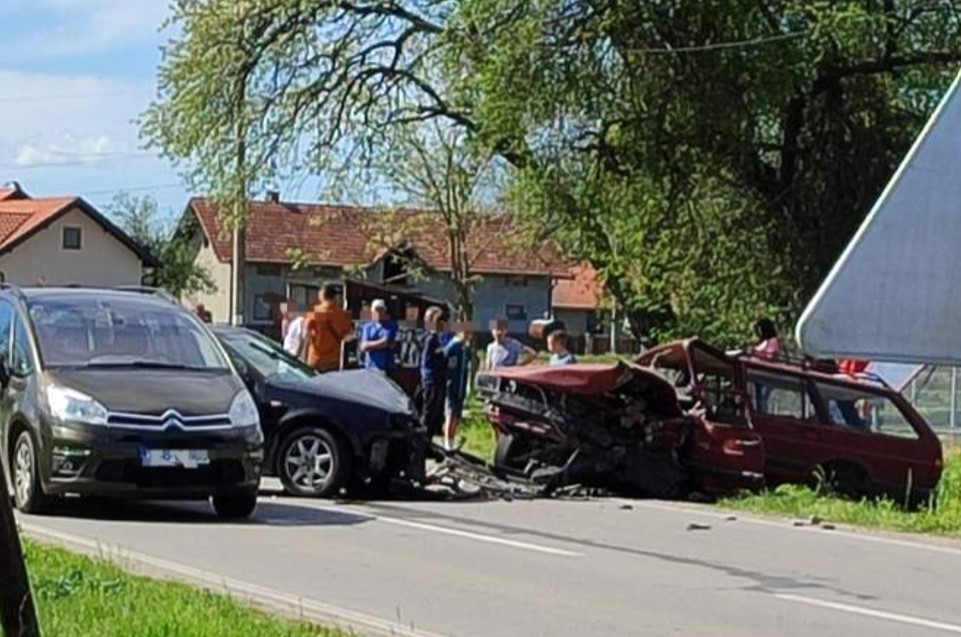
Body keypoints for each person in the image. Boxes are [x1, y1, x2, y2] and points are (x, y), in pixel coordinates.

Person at [306, 284, 353, 372]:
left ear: (322, 295)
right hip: (333, 359)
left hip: (316, 357)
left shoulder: (314, 312)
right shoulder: (341, 314)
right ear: (334, 297)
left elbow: (306, 333)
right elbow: (349, 336)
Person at [417, 306, 449, 440]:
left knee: (436, 413)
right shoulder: (430, 339)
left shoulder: (438, 338)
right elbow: (426, 362)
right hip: (431, 380)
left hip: (439, 379)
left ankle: (429, 441)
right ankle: (422, 443)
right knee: (428, 412)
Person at [443, 327, 472, 451]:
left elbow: (468, 367)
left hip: (462, 385)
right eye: (465, 333)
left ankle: (452, 438)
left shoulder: (466, 348)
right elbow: (446, 364)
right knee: (450, 413)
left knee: (457, 415)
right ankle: (446, 441)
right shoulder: (453, 347)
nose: (467, 336)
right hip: (452, 384)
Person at [360, 299, 398, 373]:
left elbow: (386, 342)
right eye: (375, 311)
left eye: (380, 311)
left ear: (384, 311)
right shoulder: (368, 327)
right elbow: (364, 347)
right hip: (370, 368)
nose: (378, 314)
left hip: (387, 368)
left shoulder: (391, 325)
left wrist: (371, 344)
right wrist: (380, 343)